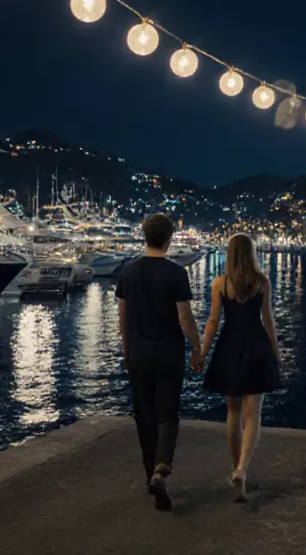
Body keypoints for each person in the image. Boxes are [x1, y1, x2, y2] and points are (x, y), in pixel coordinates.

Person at [116, 213, 203, 511]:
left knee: (144, 414)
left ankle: (149, 472)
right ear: (169, 238)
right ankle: (161, 469)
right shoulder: (177, 273)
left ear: (144, 236)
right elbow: (185, 317)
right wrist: (197, 347)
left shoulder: (127, 273)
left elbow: (122, 318)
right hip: (169, 353)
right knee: (168, 413)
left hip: (139, 353)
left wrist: (126, 350)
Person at [198, 233, 282, 503]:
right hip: (257, 346)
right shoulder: (262, 282)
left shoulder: (220, 284)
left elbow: (212, 321)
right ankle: (242, 469)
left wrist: (202, 351)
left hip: (229, 347)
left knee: (233, 413)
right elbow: (268, 321)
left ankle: (236, 470)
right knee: (253, 415)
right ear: (251, 253)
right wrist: (276, 352)